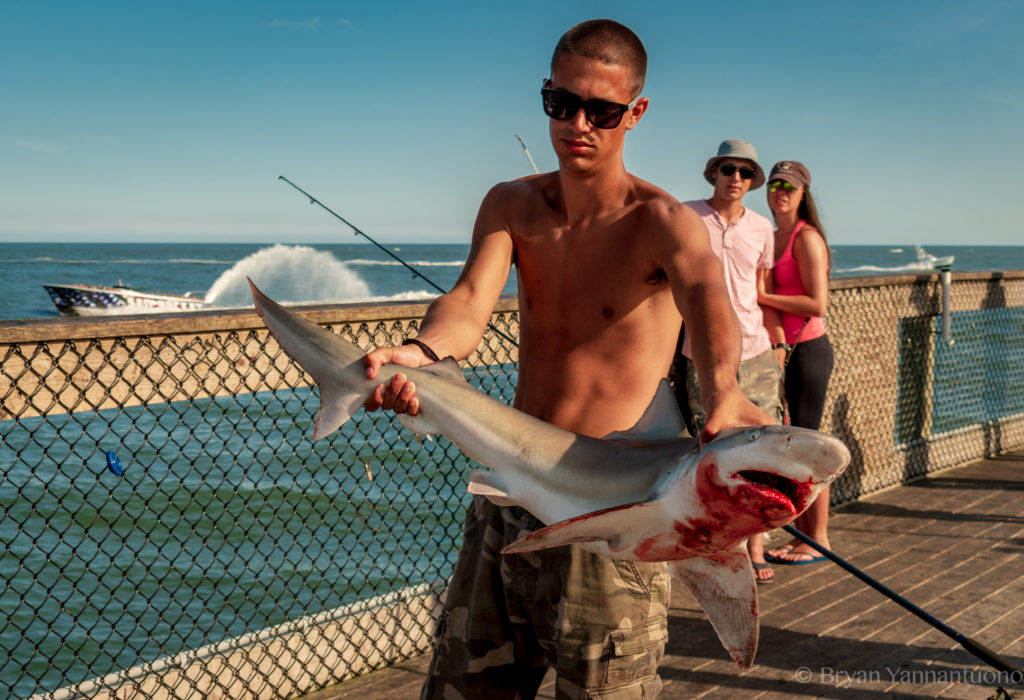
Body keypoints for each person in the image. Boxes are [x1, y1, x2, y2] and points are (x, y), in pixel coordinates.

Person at [360, 19, 772, 700]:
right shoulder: (511, 204)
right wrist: (424, 352)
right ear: (546, 94)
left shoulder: (661, 222)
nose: (577, 123)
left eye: (602, 110)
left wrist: (725, 390)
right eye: (561, 103)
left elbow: (711, 306)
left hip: (615, 510)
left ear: (635, 113)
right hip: (511, 494)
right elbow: (467, 301)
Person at [677, 139, 785, 583]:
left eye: (744, 171)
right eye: (728, 168)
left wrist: (778, 345)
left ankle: (756, 546)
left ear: (752, 180)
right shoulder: (685, 217)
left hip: (757, 351)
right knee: (713, 448)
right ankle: (722, 544)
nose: (735, 177)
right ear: (714, 173)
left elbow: (759, 289)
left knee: (764, 448)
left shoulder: (762, 228)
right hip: (697, 350)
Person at [759, 160, 835, 565]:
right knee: (793, 445)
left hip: (808, 350)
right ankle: (802, 535)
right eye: (775, 184)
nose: (781, 191)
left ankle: (818, 539)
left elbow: (816, 303)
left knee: (811, 446)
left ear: (804, 193)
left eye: (790, 185)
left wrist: (763, 297)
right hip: (782, 351)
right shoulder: (770, 237)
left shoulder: (806, 239)